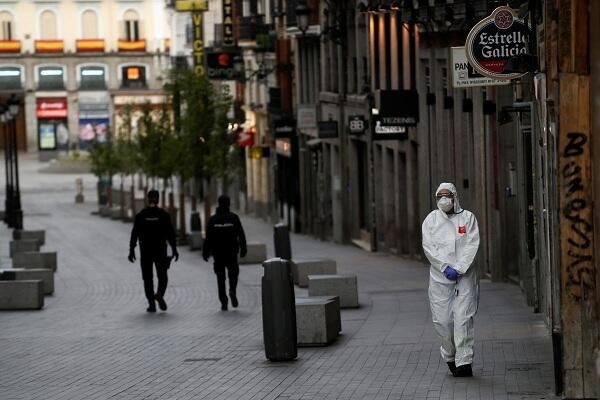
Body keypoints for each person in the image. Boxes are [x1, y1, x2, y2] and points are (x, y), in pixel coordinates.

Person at [421, 183, 480, 377]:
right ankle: (450, 355)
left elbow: (472, 244)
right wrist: (444, 267)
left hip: (465, 277)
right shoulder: (431, 220)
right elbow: (428, 246)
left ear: (455, 196)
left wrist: (460, 268)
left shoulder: (468, 218)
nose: (443, 199)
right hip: (440, 278)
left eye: (447, 195)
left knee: (463, 318)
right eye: (440, 196)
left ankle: (464, 362)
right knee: (443, 321)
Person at [128, 190, 179, 313]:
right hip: (160, 249)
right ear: (158, 199)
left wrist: (131, 250)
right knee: (163, 276)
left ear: (147, 199)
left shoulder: (141, 215)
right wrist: (174, 249)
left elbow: (134, 234)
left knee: (147, 278)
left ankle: (151, 304)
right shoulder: (163, 215)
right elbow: (170, 234)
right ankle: (160, 294)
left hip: (145, 250)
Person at [202, 195, 247, 311]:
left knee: (220, 278)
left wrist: (205, 252)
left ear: (218, 204)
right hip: (231, 252)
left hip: (218, 254)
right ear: (229, 204)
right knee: (233, 274)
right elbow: (241, 234)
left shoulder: (213, 220)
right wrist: (243, 249)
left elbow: (208, 238)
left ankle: (224, 302)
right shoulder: (234, 218)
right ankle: (232, 290)